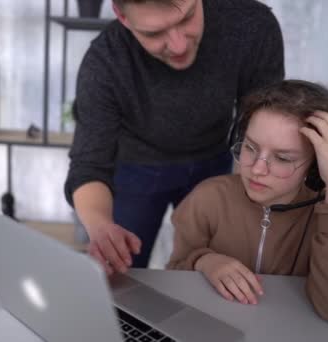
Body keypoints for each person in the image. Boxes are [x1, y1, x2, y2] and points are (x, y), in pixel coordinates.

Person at [64, 0, 285, 274]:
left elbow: (259, 126)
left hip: (214, 162)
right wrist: (99, 226)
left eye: (188, 17)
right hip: (135, 169)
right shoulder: (104, 61)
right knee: (122, 274)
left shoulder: (252, 26)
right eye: (154, 33)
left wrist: (249, 199)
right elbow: (89, 165)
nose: (179, 46)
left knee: (214, 273)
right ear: (122, 16)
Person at [166, 79, 328, 326]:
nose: (257, 169)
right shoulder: (207, 199)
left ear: (315, 168)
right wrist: (204, 261)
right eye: (250, 147)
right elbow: (176, 272)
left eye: (282, 158)